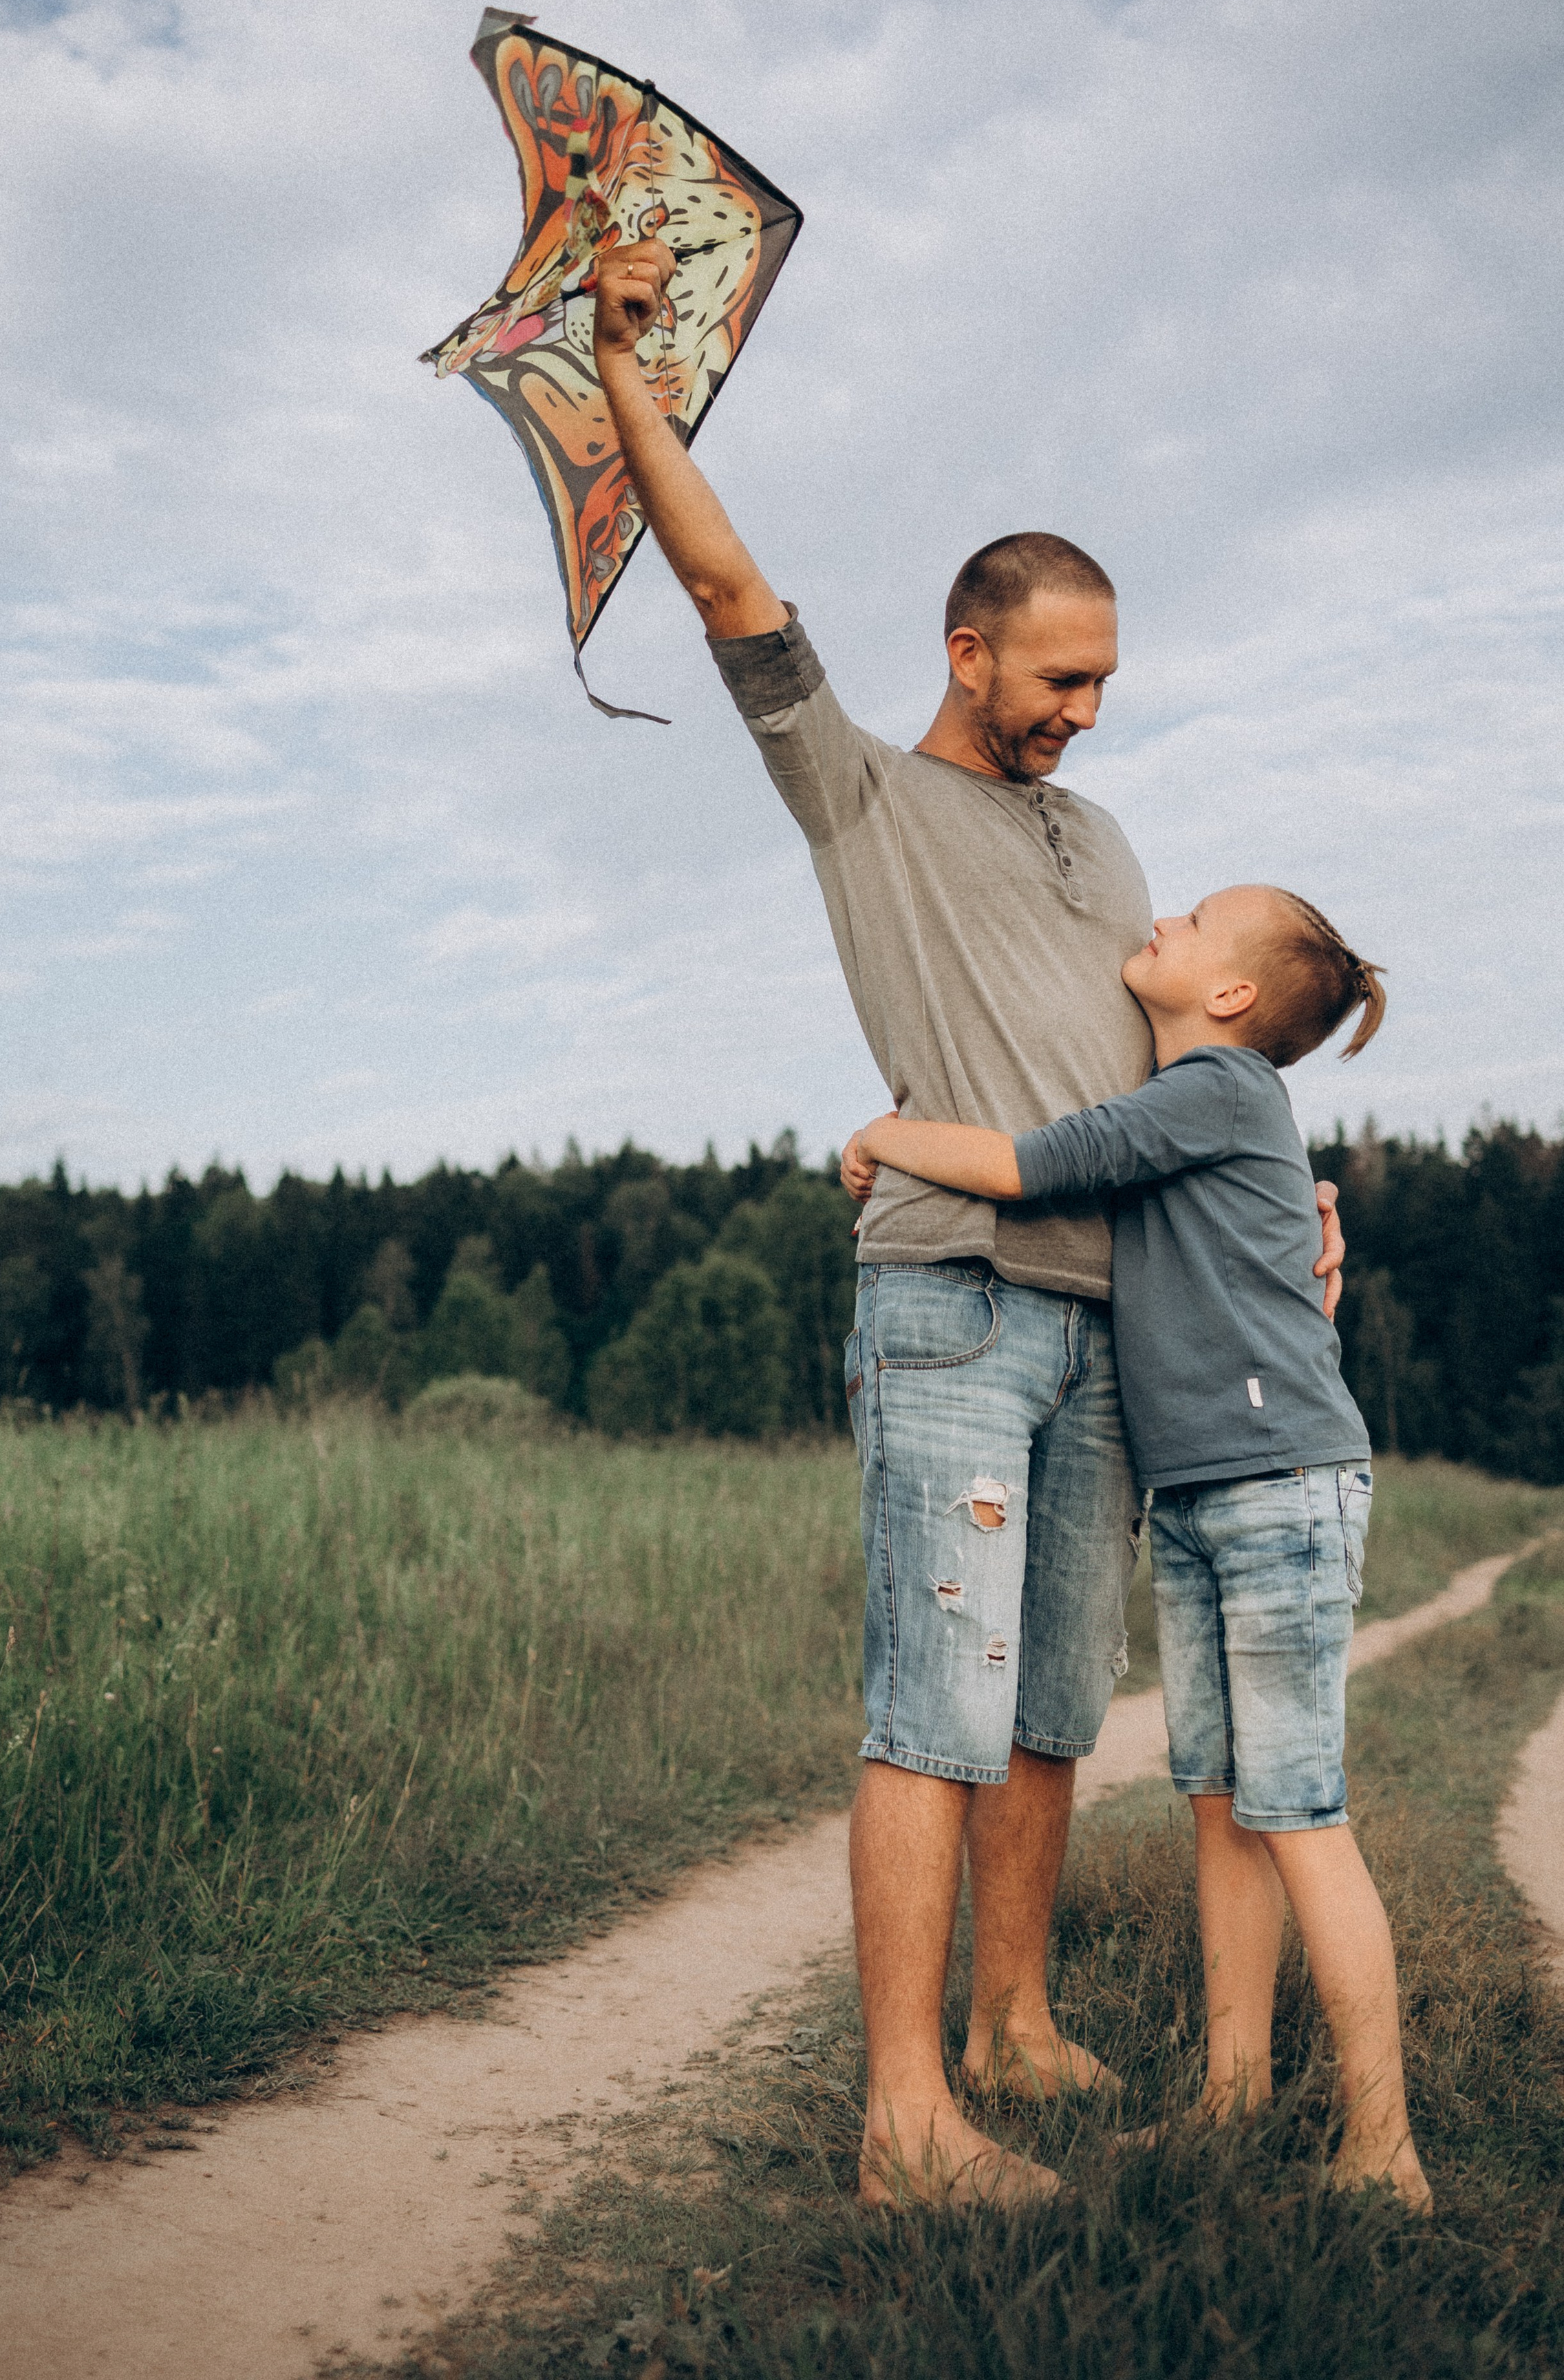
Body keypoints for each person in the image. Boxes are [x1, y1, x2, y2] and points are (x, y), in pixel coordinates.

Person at [590, 236, 1345, 2211]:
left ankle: (1011, 2025)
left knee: (1045, 1711)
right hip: (951, 1308)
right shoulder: (858, 797)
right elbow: (731, 593)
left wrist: (1287, 1202)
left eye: (1107, 682)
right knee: (932, 1706)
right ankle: (907, 2116)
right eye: (1063, 678)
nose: (1089, 713)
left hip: (1117, 1326)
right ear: (969, 655)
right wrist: (629, 376)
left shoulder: (1105, 843)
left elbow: (1174, 1085)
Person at [843, 885, 1429, 2208]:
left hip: (1280, 1488)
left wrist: (886, 1136)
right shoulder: (1212, 1108)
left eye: (1195, 921)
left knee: (1302, 1815)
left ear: (1229, 998)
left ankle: (1383, 2149)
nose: (1162, 920)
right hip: (1211, 1497)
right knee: (1222, 1803)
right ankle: (1234, 2095)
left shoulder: (1216, 1089)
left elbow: (1032, 1162)